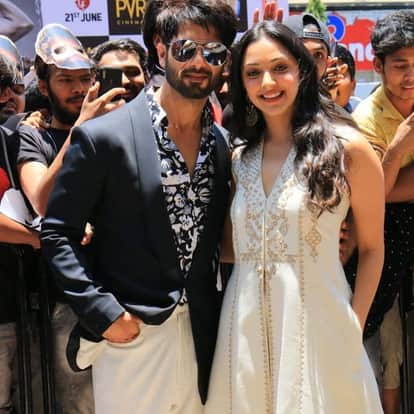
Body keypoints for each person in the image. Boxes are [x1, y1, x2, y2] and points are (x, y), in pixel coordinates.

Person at [40, 1, 237, 413]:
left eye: (214, 52)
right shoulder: (104, 137)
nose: (200, 62)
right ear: (160, 49)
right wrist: (104, 313)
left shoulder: (220, 144)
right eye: (186, 49)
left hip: (204, 339)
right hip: (132, 339)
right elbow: (58, 233)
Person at [205, 20, 384, 413]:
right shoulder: (239, 159)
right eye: (253, 72)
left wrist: (353, 326)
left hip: (323, 327)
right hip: (244, 330)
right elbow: (234, 248)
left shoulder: (349, 149)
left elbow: (372, 248)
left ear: (302, 71)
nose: (267, 83)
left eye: (279, 67)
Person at [16, 23, 125, 414]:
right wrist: (81, 129)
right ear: (44, 86)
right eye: (65, 80)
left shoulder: (115, 128)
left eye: (84, 79)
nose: (78, 89)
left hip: (124, 292)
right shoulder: (34, 136)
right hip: (68, 298)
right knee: (77, 405)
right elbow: (42, 200)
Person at [349, 10, 414, 414]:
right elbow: (373, 194)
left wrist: (392, 182)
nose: (410, 76)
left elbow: (389, 187)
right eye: (400, 66)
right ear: (379, 66)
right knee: (383, 352)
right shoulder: (365, 120)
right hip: (381, 247)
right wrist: (401, 144)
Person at [0, 54, 39, 414]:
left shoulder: (14, 137)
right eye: (3, 88)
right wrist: (36, 238)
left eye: (15, 87)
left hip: (22, 304)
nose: (9, 96)